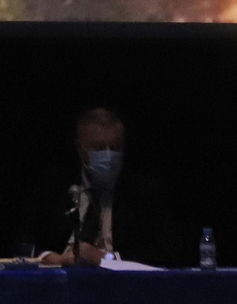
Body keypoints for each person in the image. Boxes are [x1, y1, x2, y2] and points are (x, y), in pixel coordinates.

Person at [22, 108, 182, 267]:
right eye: (98, 148)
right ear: (79, 147)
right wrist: (55, 259)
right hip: (60, 280)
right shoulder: (54, 186)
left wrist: (107, 259)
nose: (108, 156)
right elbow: (24, 242)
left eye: (114, 148)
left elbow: (165, 253)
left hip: (122, 284)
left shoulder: (143, 192)